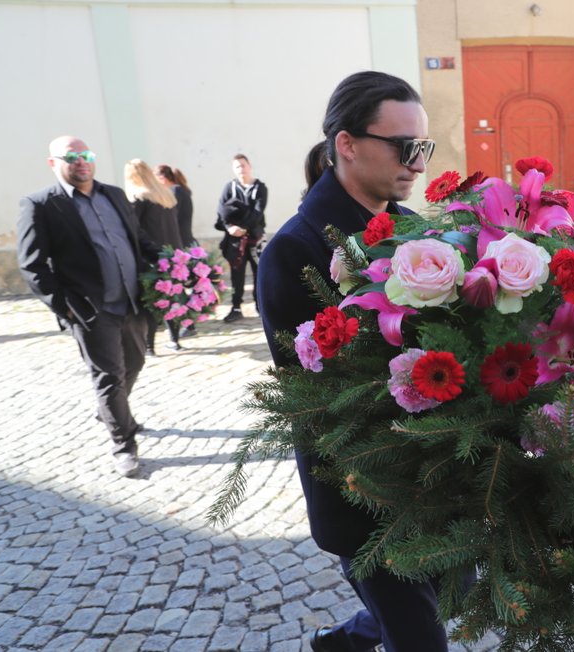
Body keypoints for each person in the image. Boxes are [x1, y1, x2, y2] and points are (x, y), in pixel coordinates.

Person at [257, 71, 448, 652]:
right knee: (419, 636)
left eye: (424, 148)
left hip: (438, 468)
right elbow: (316, 396)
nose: (417, 163)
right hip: (367, 484)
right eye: (403, 147)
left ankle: (345, 641)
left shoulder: (410, 227)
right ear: (347, 144)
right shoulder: (296, 248)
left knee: (438, 589)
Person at [17, 136, 158, 477]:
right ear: (54, 163)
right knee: (109, 377)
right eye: (71, 157)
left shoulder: (114, 194)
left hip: (132, 301)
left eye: (86, 155)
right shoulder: (41, 204)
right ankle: (124, 444)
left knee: (134, 364)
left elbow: (138, 240)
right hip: (91, 310)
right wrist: (65, 308)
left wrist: (171, 263)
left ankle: (110, 411)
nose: (81, 161)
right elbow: (32, 265)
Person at [125, 159, 183, 352]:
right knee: (171, 299)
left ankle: (149, 346)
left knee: (152, 301)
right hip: (173, 254)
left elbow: (133, 231)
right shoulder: (165, 194)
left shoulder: (139, 197)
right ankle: (174, 340)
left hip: (151, 256)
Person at [215, 153, 267, 323]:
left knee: (260, 272)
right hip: (235, 240)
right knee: (237, 274)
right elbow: (221, 212)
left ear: (249, 166)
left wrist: (243, 228)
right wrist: (231, 228)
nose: (241, 169)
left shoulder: (260, 188)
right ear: (233, 169)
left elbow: (258, 212)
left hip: (256, 238)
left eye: (243, 165)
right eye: (237, 166)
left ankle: (261, 306)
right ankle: (236, 307)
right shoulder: (229, 188)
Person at [156, 164, 198, 337]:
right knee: (186, 287)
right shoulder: (182, 190)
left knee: (181, 288)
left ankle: (188, 324)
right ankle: (189, 323)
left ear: (163, 178)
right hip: (187, 242)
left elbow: (172, 222)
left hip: (180, 245)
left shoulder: (174, 193)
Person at [156, 164, 195, 248]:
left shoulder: (175, 191)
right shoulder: (177, 190)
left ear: (162, 179)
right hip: (183, 240)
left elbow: (171, 216)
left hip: (181, 242)